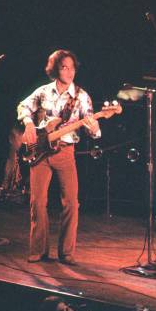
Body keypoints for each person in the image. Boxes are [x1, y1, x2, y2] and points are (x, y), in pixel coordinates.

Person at [17, 49, 101, 264]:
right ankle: (38, 251)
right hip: (41, 152)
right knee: (37, 202)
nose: (69, 71)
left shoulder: (81, 97)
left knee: (72, 202)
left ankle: (67, 253)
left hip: (65, 152)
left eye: (72, 67)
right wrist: (28, 123)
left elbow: (93, 129)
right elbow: (23, 106)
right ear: (55, 69)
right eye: (64, 67)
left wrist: (94, 127)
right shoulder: (43, 91)